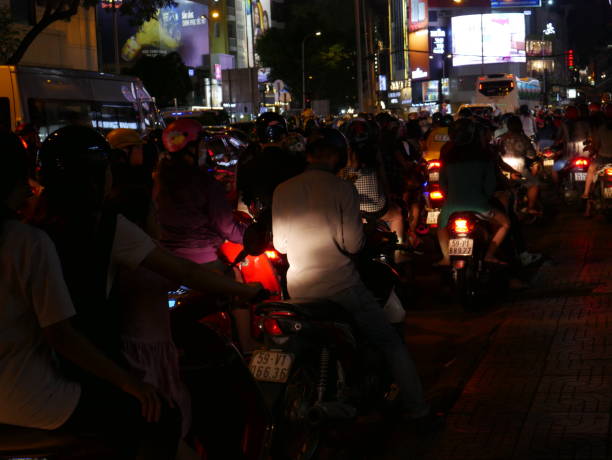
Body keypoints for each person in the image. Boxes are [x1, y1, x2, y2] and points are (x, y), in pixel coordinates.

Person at [0, 130, 181, 458]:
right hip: (27, 396)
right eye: (19, 177)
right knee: (161, 417)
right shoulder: (26, 242)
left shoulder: (38, 228)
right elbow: (61, 335)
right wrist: (133, 385)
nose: (27, 186)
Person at [272, 128, 431, 423]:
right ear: (337, 156)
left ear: (308, 154)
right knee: (391, 342)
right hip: (340, 285)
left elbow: (280, 245)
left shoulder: (283, 189)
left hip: (297, 287)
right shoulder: (342, 188)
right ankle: (418, 409)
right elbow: (353, 245)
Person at [156, 119, 246, 265]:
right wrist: (253, 237)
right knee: (237, 280)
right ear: (190, 148)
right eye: (202, 144)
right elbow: (227, 227)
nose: (205, 149)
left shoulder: (160, 178)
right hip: (202, 257)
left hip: (167, 259)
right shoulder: (204, 183)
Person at [437, 119, 510, 266]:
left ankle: (445, 258)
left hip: (451, 206)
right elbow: (490, 186)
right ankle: (489, 255)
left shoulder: (447, 156)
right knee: (505, 224)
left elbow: (442, 183)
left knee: (440, 226)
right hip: (480, 205)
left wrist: (450, 198)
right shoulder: (483, 155)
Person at [499, 115, 542, 215]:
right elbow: (532, 155)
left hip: (501, 172)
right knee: (535, 183)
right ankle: (530, 208)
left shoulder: (500, 138)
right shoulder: (523, 139)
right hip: (518, 171)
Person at [582, 110, 612, 206]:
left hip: (603, 158)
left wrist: (592, 150)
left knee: (591, 169)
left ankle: (586, 193)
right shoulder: (601, 129)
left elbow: (596, 146)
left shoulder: (600, 130)